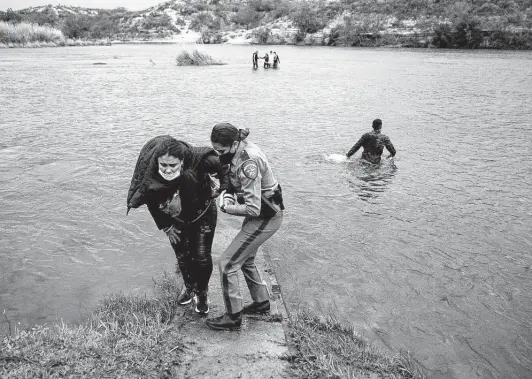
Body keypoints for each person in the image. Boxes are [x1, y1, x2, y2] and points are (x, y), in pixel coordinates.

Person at [127, 136, 229, 315]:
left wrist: (224, 188)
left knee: (202, 256)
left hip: (202, 214)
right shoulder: (151, 175)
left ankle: (202, 293)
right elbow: (150, 199)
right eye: (163, 165)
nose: (167, 169)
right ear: (157, 161)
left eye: (172, 166)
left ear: (182, 162)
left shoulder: (200, 161)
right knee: (182, 255)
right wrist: (165, 226)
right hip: (176, 219)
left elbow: (224, 165)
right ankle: (189, 287)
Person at [205, 123, 285, 331]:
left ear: (233, 144)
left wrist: (227, 207)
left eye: (221, 151)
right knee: (246, 259)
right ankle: (262, 303)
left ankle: (233, 317)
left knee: (227, 264)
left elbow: (252, 208)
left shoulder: (249, 163)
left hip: (266, 217)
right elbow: (233, 181)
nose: (218, 154)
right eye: (215, 150)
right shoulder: (238, 149)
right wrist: (227, 191)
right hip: (265, 214)